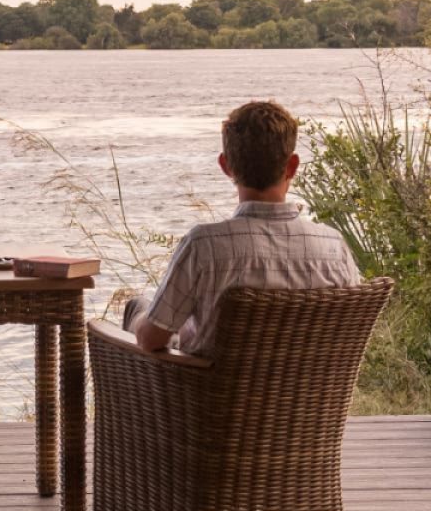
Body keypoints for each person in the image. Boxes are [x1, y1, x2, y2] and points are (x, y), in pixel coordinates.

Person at [125, 99, 361, 358]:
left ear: (226, 166)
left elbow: (150, 339)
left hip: (209, 396)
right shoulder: (334, 248)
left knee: (138, 308)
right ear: (292, 166)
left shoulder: (204, 246)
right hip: (314, 397)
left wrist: (138, 320)